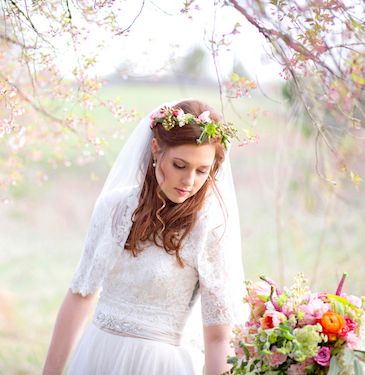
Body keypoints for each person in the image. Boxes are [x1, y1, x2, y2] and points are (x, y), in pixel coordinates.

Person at [43, 99, 249, 375]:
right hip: (98, 354)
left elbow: (218, 335)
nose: (189, 180)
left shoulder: (209, 227)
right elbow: (81, 294)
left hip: (159, 365)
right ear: (156, 149)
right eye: (179, 165)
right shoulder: (114, 208)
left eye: (202, 171)